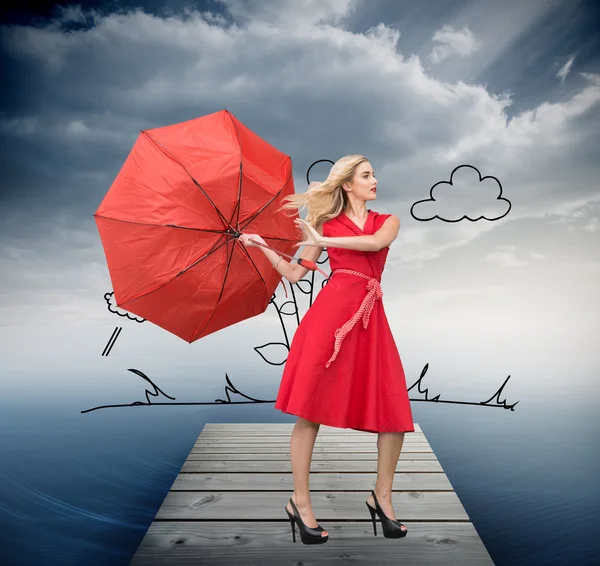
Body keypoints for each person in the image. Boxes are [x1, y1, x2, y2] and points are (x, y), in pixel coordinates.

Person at [239, 154, 414, 544]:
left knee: (394, 411)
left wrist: (323, 239)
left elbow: (375, 243)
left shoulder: (387, 221)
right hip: (327, 321)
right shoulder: (323, 224)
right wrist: (263, 246)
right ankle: (299, 502)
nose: (375, 179)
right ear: (348, 184)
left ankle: (381, 498)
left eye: (373, 172)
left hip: (370, 322)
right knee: (309, 411)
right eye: (366, 175)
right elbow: (296, 273)